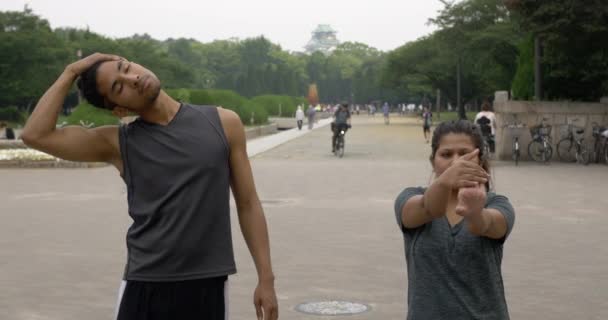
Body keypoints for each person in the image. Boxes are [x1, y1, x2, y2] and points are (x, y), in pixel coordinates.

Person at [20, 53, 278, 320]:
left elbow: (247, 204)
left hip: (208, 285)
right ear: (119, 109)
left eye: (126, 68)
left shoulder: (223, 123)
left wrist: (266, 279)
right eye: (119, 87)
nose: (133, 79)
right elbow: (35, 135)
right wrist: (71, 71)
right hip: (145, 288)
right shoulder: (118, 143)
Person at [394, 120, 515, 319]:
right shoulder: (409, 197)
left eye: (464, 153)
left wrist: (475, 212)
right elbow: (428, 208)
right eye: (446, 154)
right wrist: (445, 181)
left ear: (479, 160)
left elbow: (487, 225)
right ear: (433, 161)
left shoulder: (498, 204)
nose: (456, 161)